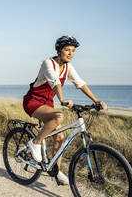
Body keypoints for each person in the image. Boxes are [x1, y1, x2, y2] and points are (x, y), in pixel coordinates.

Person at [22, 35, 107, 185]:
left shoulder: (68, 67)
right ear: (59, 50)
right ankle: (35, 142)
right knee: (59, 116)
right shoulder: (48, 63)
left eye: (73, 51)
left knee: (60, 138)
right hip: (33, 102)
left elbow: (80, 83)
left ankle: (55, 171)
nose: (70, 53)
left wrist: (96, 101)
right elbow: (55, 82)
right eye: (67, 50)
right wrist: (62, 99)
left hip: (47, 104)